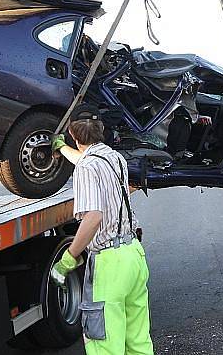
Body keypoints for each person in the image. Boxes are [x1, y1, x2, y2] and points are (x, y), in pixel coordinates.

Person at [50, 105, 154, 354]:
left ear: (74, 134)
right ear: (102, 131)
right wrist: (62, 149)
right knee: (138, 341)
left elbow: (93, 216)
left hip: (110, 265)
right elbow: (86, 160)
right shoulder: (115, 158)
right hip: (133, 255)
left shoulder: (87, 167)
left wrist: (69, 257)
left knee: (104, 344)